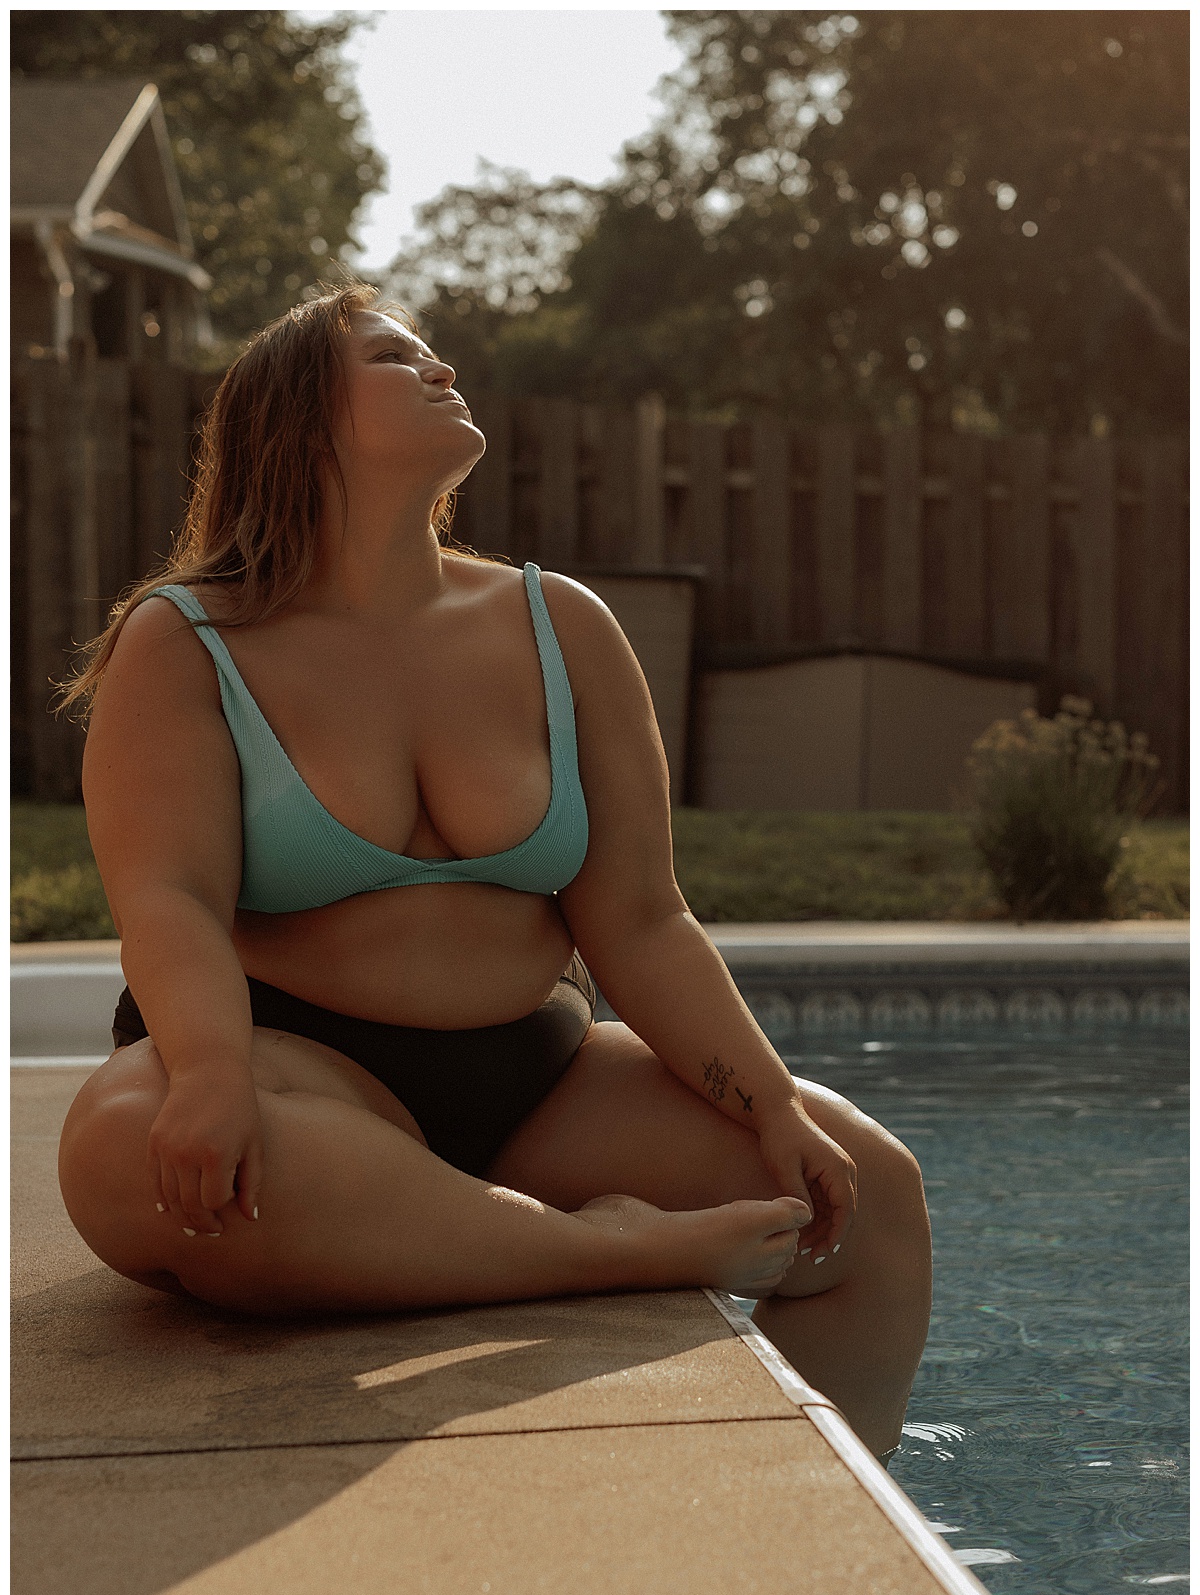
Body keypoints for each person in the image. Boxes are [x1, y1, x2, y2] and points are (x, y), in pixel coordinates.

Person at [56, 283, 931, 1462]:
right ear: (299, 417)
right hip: (293, 1064)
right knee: (144, 1161)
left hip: (536, 1082)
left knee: (865, 1197)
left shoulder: (558, 624)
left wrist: (768, 1103)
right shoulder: (186, 639)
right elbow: (169, 899)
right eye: (389, 354)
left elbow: (642, 917)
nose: (437, 365)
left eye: (430, 350)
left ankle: (843, 1562)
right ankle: (615, 1253)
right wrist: (209, 1073)